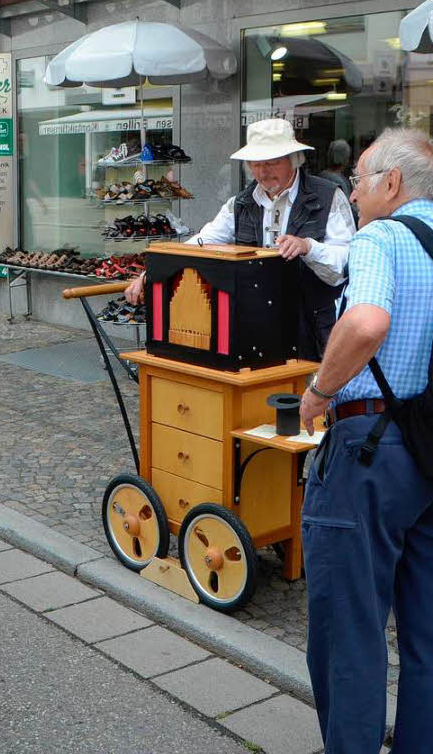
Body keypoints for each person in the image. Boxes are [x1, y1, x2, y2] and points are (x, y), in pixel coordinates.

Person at [298, 128, 433, 754]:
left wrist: (321, 389)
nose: (351, 189)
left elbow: (367, 319)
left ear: (393, 184)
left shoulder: (383, 236)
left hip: (372, 451)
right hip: (432, 451)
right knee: (427, 636)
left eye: (359, 177)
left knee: (349, 627)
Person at [125, 118, 355, 361]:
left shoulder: (328, 196)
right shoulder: (241, 203)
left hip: (313, 326)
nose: (262, 172)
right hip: (256, 328)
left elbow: (347, 262)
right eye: (255, 164)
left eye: (272, 163)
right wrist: (153, 273)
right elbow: (204, 241)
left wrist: (308, 247)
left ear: (294, 159)